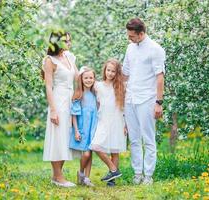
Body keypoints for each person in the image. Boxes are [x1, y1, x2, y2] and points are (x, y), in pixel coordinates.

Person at [123, 18, 166, 185]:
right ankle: (137, 173)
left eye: (132, 36)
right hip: (130, 98)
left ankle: (148, 175)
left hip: (147, 99)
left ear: (141, 34)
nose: (129, 39)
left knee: (148, 138)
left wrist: (158, 102)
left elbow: (160, 78)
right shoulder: (130, 48)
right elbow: (125, 73)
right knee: (134, 139)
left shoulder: (156, 49)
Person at [42, 31, 79, 187]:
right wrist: (53, 110)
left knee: (66, 136)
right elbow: (49, 87)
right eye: (66, 41)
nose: (69, 44)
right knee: (57, 136)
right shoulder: (49, 60)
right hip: (58, 99)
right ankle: (58, 176)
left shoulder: (69, 57)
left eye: (70, 41)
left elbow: (78, 77)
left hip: (70, 99)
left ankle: (58, 175)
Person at [90, 58, 127, 186]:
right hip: (103, 121)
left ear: (117, 73)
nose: (110, 73)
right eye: (108, 70)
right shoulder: (97, 86)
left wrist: (126, 124)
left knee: (114, 150)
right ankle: (114, 169)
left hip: (117, 120)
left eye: (113, 71)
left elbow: (124, 107)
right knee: (96, 145)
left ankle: (112, 181)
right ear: (104, 70)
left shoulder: (120, 87)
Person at [69, 66, 98, 187]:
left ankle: (87, 178)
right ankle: (81, 172)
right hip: (82, 128)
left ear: (94, 79)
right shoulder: (78, 94)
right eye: (86, 78)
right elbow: (74, 115)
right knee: (85, 154)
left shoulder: (95, 94)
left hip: (93, 127)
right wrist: (76, 131)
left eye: (91, 78)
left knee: (90, 153)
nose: (88, 80)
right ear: (81, 79)